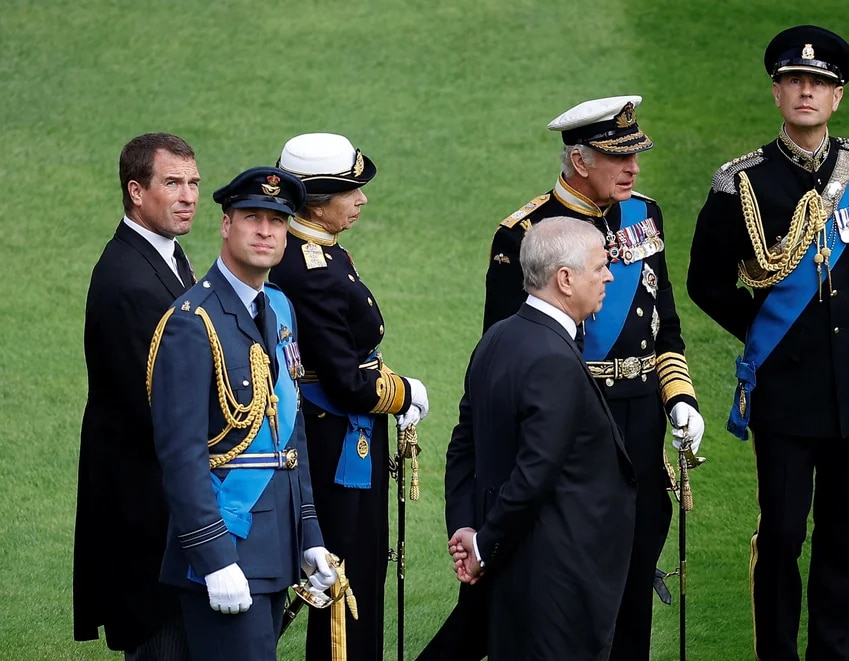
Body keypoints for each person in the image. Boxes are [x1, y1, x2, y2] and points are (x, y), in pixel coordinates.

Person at [419, 96, 705, 661]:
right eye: (617, 159)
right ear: (579, 160)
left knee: (635, 570)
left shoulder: (645, 215)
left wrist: (680, 397)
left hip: (640, 424)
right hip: (569, 432)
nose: (633, 169)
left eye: (635, 157)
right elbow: (505, 358)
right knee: (545, 587)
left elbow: (663, 320)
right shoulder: (523, 234)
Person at [686, 25, 849, 660]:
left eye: (819, 83)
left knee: (843, 535)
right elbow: (705, 282)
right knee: (783, 533)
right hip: (786, 392)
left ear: (836, 98)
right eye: (794, 81)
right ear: (777, 93)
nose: (806, 91)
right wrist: (767, 332)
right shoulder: (742, 182)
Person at [146, 167, 339, 661]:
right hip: (228, 547)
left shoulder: (278, 308)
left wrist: (310, 535)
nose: (265, 231)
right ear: (226, 224)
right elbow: (181, 455)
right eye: (252, 217)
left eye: (277, 221)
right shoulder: (192, 323)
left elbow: (290, 436)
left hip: (277, 546)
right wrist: (214, 559)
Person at [269, 133, 430, 661]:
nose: (361, 200)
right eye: (351, 191)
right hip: (333, 432)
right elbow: (345, 380)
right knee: (348, 572)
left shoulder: (316, 249)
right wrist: (404, 392)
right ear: (316, 199)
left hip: (340, 429)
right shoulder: (309, 268)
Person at [447, 216, 637, 660]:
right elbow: (535, 473)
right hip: (557, 576)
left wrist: (463, 527)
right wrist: (480, 546)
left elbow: (463, 446)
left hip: (518, 572)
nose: (609, 274)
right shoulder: (553, 356)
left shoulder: (498, 337)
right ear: (565, 279)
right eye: (599, 267)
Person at [74, 132, 199, 659]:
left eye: (193, 183)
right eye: (172, 183)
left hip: (158, 499)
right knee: (162, 642)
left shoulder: (166, 254)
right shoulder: (129, 281)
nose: (188, 196)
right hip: (144, 509)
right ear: (135, 191)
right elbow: (153, 407)